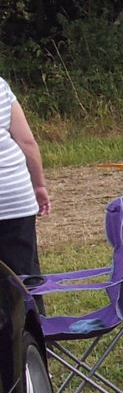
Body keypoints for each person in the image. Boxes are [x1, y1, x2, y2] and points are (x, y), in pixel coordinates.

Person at [0, 76, 50, 277]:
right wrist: (39, 185)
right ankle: (30, 309)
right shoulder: (0, 85)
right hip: (15, 194)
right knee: (24, 279)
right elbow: (26, 141)